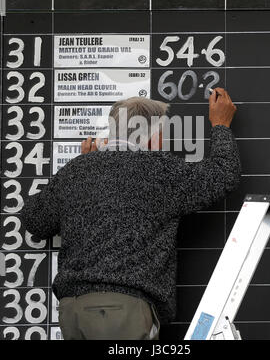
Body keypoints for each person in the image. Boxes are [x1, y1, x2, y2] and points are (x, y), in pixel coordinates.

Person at [21, 88, 241, 340]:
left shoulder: (77, 169)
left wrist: (82, 175)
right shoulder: (159, 171)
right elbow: (224, 175)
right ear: (151, 137)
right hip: (124, 311)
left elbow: (35, 220)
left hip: (72, 311)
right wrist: (221, 124)